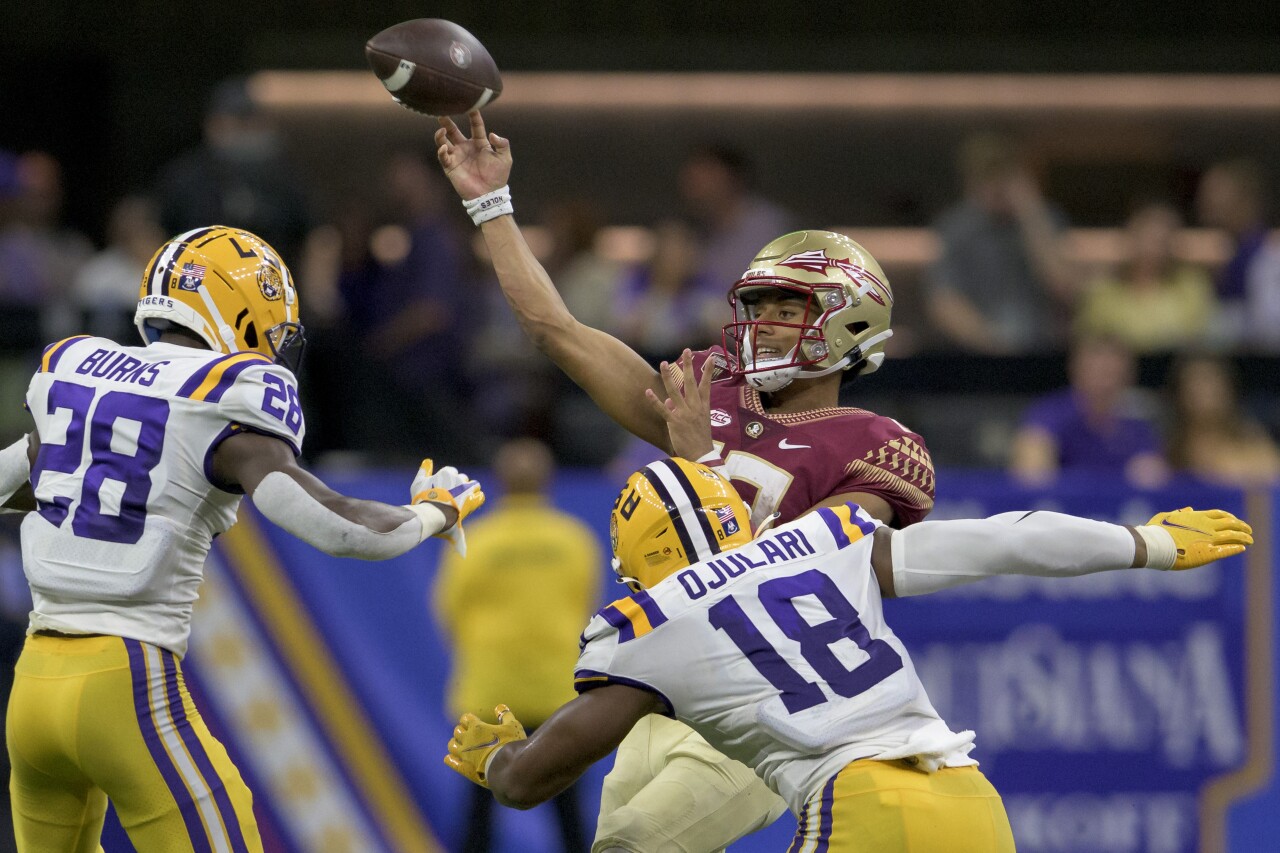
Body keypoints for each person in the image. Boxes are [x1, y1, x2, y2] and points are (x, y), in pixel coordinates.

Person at [435, 110, 937, 853]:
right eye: (758, 305)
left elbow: (806, 568)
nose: (761, 323)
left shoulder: (875, 445)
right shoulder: (712, 389)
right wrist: (491, 204)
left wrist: (703, 467)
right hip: (661, 683)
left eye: (786, 307)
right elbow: (557, 331)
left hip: (767, 698)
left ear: (849, 323)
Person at [443, 456, 1251, 852]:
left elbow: (533, 779)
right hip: (971, 800)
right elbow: (999, 540)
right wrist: (1143, 542)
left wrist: (497, 762)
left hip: (862, 807)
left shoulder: (651, 624)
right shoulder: (815, 539)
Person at [0, 226, 485, 852]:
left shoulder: (76, 369)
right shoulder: (226, 397)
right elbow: (336, 525)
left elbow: (21, 476)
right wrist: (431, 514)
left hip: (33, 686)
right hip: (129, 683)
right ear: (237, 309)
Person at [434, 438, 600, 853]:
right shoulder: (574, 539)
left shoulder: (478, 541)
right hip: (558, 690)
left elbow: (448, 609)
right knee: (570, 813)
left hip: (491, 690)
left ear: (498, 482)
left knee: (478, 812)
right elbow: (587, 607)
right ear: (548, 481)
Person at [925, 132, 1076, 353]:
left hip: (1043, 353)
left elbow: (1063, 287)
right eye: (987, 176)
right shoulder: (956, 228)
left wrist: (1031, 214)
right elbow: (944, 302)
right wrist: (994, 346)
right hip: (978, 355)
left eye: (1004, 176)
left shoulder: (1046, 220)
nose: (996, 186)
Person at [1010, 335, 1168, 487]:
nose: (1105, 381)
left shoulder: (1137, 421)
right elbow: (1031, 474)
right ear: (1075, 368)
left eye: (1113, 371)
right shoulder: (1050, 414)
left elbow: (1153, 476)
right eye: (1097, 369)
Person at [1074, 201, 1218, 353]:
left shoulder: (1192, 285)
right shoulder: (1103, 293)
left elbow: (1205, 340)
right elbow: (1087, 346)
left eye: (1162, 240)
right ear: (1132, 238)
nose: (1155, 250)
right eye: (1149, 238)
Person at [1195, 158, 1280, 351]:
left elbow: (1269, 328)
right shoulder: (1223, 253)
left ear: (1244, 198)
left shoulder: (1270, 255)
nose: (1205, 201)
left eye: (1215, 191)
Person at [1167, 353, 1280, 488]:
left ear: (1228, 389)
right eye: (1192, 383)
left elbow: (1272, 477)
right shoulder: (1170, 445)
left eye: (1208, 381)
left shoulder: (1252, 440)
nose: (1199, 392)